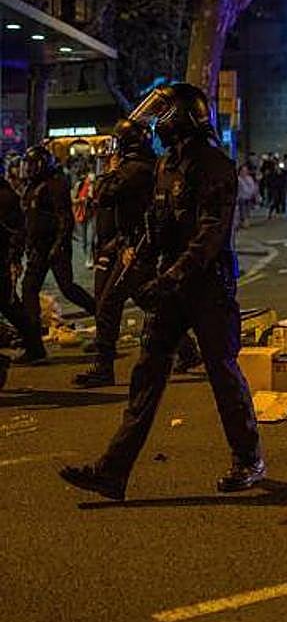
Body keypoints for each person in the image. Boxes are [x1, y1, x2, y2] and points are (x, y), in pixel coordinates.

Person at [59, 82, 266, 501]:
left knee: (222, 373)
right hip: (171, 285)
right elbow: (158, 224)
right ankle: (112, 472)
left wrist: (167, 278)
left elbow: (209, 237)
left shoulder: (213, 165)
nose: (156, 123)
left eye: (164, 114)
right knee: (146, 377)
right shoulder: (166, 164)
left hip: (207, 287)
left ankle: (248, 458)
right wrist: (140, 259)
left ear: (184, 117)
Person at [72, 118, 204, 388]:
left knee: (110, 303)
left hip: (137, 246)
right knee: (148, 301)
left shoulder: (135, 169)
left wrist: (109, 169)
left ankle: (103, 366)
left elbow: (103, 194)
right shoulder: (145, 166)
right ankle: (188, 351)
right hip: (127, 244)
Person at [19, 144, 96, 333]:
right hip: (38, 247)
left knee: (67, 288)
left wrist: (58, 245)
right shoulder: (32, 185)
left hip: (54, 245)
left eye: (32, 165)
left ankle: (101, 315)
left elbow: (65, 217)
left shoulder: (55, 183)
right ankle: (33, 338)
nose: (28, 169)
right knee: (29, 289)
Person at [0, 168, 46, 364]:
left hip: (2, 258)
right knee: (11, 307)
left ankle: (34, 348)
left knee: (11, 306)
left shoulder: (4, 196)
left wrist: (14, 258)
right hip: (4, 258)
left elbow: (16, 230)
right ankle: (35, 347)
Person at [237, 163, 259, 228]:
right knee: (242, 211)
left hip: (249, 197)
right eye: (243, 170)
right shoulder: (238, 179)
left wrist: (255, 194)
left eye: (246, 170)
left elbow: (253, 187)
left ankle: (245, 222)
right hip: (241, 198)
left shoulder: (249, 178)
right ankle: (243, 222)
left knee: (248, 211)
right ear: (240, 171)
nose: (245, 172)